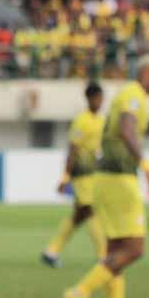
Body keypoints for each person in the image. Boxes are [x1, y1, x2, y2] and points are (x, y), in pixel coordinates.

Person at [64, 54, 149, 298]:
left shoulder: (129, 95)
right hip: (119, 178)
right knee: (134, 248)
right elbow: (126, 128)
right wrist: (147, 168)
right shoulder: (133, 95)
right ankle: (80, 292)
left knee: (115, 249)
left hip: (105, 179)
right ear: (147, 73)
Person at [41, 81, 107, 268]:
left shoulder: (101, 120)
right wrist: (65, 176)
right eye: (97, 98)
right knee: (89, 211)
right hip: (81, 172)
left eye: (102, 98)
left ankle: (51, 251)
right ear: (89, 99)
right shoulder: (82, 120)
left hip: (94, 172)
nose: (100, 102)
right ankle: (103, 255)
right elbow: (73, 149)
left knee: (79, 215)